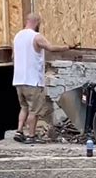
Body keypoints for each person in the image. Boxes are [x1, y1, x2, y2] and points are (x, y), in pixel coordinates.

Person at [12, 13, 77, 144]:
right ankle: (31, 135)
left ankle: (19, 131)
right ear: (37, 22)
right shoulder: (35, 37)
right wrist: (68, 47)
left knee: (23, 107)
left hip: (18, 80)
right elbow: (51, 48)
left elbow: (13, 57)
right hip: (32, 80)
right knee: (34, 110)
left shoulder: (17, 36)